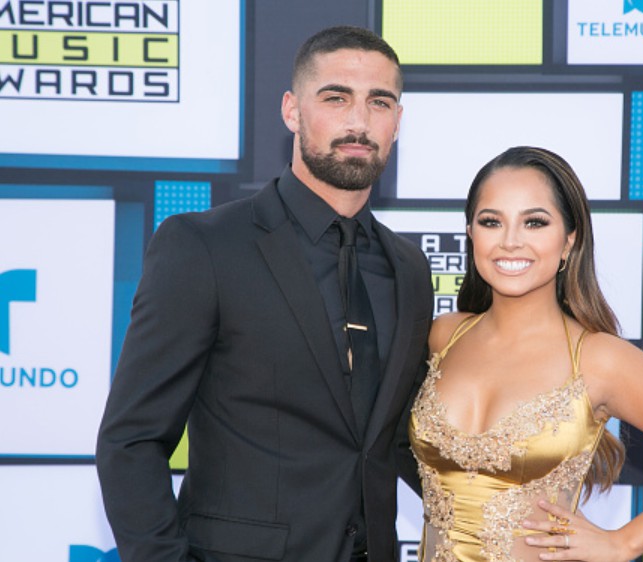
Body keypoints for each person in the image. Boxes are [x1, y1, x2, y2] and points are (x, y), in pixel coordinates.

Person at [96, 26, 433, 562]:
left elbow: (399, 440)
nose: (359, 121)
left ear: (398, 120)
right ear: (291, 111)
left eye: (379, 102)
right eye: (336, 98)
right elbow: (132, 440)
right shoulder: (203, 247)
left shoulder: (408, 267)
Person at [408, 146, 643, 562]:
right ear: (471, 234)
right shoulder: (443, 336)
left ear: (569, 240)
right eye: (491, 222)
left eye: (534, 222)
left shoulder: (600, 360)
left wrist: (622, 543)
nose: (510, 241)